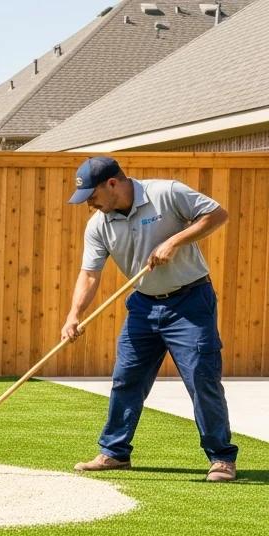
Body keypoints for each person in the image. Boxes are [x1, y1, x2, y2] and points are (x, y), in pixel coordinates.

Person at [62, 156, 237, 482]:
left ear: (112, 183)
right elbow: (89, 275)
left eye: (93, 196)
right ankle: (114, 453)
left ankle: (222, 458)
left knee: (201, 377)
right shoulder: (98, 224)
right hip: (143, 306)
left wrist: (174, 241)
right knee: (126, 378)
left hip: (190, 301)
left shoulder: (166, 193)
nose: (90, 204)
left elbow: (218, 215)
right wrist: (74, 315)